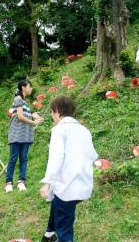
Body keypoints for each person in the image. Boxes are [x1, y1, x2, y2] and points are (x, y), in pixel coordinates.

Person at [40, 96, 98, 242]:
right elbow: (92, 155)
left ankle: (58, 236)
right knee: (58, 204)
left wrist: (47, 183)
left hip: (67, 187)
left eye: (52, 112)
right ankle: (48, 234)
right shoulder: (84, 130)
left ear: (57, 111)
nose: (52, 116)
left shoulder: (59, 130)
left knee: (64, 229)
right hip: (83, 185)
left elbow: (56, 159)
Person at [5, 79, 43, 193]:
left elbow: (27, 114)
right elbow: (20, 116)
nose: (31, 89)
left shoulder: (25, 102)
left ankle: (21, 182)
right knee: (13, 158)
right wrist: (33, 122)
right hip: (16, 135)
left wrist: (35, 116)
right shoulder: (18, 99)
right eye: (30, 86)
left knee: (24, 158)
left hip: (26, 136)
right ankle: (8, 183)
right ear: (23, 88)